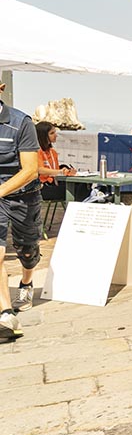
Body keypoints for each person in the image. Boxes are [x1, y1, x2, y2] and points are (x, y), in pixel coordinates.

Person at [0, 83, 42, 335]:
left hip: (23, 196)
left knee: (27, 249)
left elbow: (30, 170)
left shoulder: (20, 123)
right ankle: (5, 313)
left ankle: (26, 281)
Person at [36, 121, 76, 202]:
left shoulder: (53, 152)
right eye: (52, 133)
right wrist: (60, 172)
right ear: (43, 135)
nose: (56, 135)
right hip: (42, 187)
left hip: (54, 184)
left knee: (80, 185)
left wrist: (67, 172)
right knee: (74, 190)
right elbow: (40, 170)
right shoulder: (36, 151)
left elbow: (55, 171)